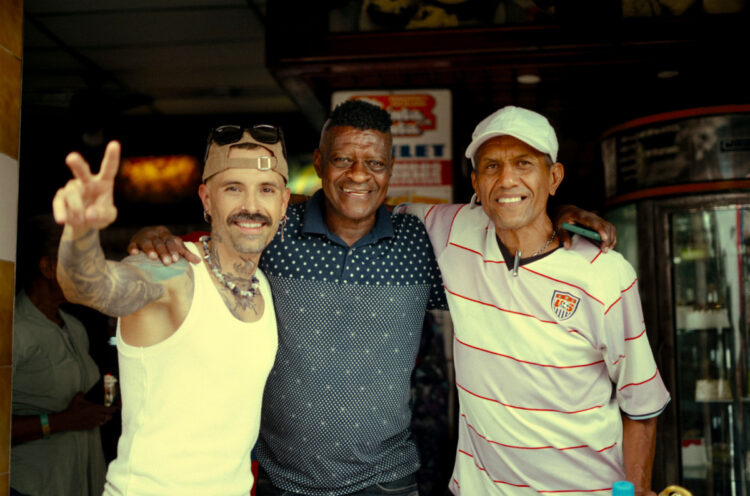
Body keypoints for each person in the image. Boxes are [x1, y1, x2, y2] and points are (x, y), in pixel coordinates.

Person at [129, 100, 618, 496]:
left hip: (385, 482)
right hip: (280, 482)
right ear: (319, 163)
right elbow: (223, 238)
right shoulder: (276, 234)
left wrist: (562, 214)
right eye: (342, 159)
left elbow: (506, 231)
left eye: (373, 163)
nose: (358, 174)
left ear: (390, 170)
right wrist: (159, 236)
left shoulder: (420, 241)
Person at [398, 106, 670, 495]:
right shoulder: (453, 230)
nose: (507, 179)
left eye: (524, 163)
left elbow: (640, 402)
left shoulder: (604, 273)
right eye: (492, 167)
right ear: (476, 183)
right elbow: (364, 211)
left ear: (554, 177)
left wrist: (639, 489)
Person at [52, 125, 290, 495]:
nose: (251, 206)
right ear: (206, 200)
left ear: (284, 203)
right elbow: (89, 286)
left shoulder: (264, 283)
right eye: (232, 189)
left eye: (266, 190)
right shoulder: (173, 271)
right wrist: (80, 232)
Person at [11, 214, 116, 496]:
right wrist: (62, 422)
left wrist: (100, 409)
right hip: (33, 486)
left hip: (80, 481)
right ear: (48, 267)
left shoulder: (74, 326)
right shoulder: (15, 330)